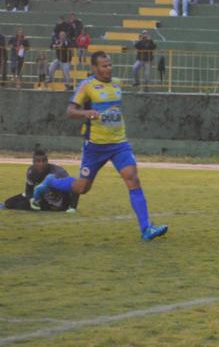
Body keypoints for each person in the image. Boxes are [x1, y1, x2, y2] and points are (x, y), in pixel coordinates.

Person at [31, 51, 168, 241]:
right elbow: (70, 111)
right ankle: (50, 182)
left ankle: (146, 229)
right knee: (82, 188)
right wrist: (86, 113)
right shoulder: (86, 86)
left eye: (110, 65)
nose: (108, 68)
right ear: (94, 68)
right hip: (95, 146)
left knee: (133, 179)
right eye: (104, 66)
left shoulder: (117, 83)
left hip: (119, 144)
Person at [3, 149, 79, 212]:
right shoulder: (31, 171)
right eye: (38, 161)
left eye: (43, 161)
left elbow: (76, 186)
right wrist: (31, 199)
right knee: (8, 203)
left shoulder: (58, 172)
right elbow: (28, 190)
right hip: (41, 196)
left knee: (19, 206)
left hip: (55, 202)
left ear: (47, 161)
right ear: (33, 162)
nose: (41, 164)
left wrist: (73, 207)